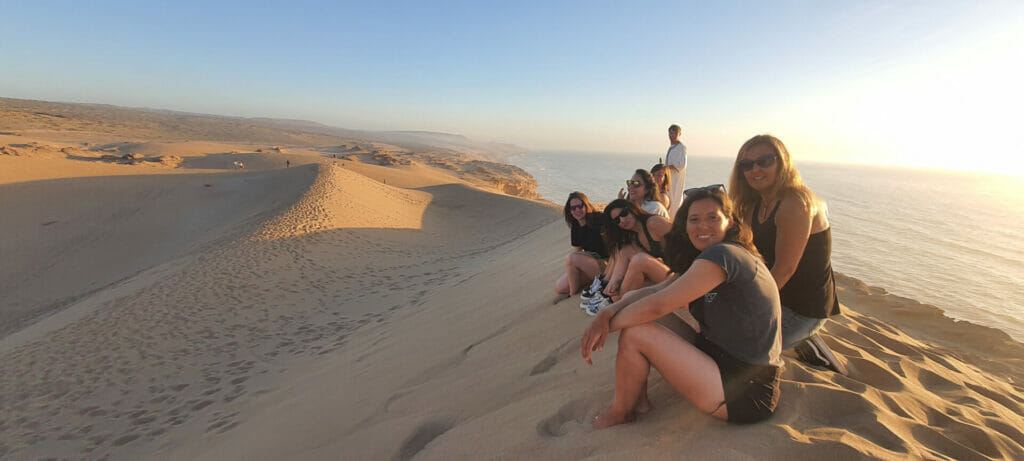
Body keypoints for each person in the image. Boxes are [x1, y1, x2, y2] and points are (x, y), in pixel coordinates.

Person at [581, 185, 782, 428]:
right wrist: (607, 312)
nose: (702, 226)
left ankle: (621, 411)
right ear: (684, 226)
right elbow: (655, 291)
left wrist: (601, 329)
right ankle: (638, 400)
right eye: (693, 219)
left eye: (712, 218)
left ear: (729, 222)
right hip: (718, 356)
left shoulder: (724, 255)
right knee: (636, 313)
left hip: (745, 390)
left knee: (637, 331)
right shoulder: (710, 256)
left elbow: (658, 306)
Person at [729, 134, 845, 374]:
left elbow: (784, 269)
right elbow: (746, 252)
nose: (755, 169)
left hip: (804, 308)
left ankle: (806, 346)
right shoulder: (754, 204)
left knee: (739, 350)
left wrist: (747, 306)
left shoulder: (795, 203)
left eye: (765, 161)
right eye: (747, 165)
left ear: (782, 163)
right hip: (778, 296)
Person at [583, 199, 672, 314]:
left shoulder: (653, 223)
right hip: (663, 275)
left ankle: (613, 301)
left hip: (680, 276)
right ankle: (610, 293)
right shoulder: (635, 236)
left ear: (632, 209)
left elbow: (683, 242)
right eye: (617, 220)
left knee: (639, 260)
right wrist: (618, 280)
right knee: (625, 250)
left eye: (624, 214)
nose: (622, 220)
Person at [555, 192, 609, 300]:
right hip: (590, 264)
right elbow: (578, 252)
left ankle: (573, 295)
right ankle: (590, 282)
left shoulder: (598, 218)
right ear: (569, 211)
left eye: (580, 206)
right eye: (573, 208)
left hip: (607, 265)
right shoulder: (575, 227)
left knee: (571, 258)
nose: (577, 210)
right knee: (560, 288)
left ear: (586, 205)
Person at [665, 124, 687, 218]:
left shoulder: (681, 148)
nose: (672, 135)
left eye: (675, 133)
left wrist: (666, 167)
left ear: (679, 134)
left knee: (675, 201)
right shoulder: (671, 147)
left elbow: (681, 165)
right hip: (668, 179)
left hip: (676, 180)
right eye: (671, 132)